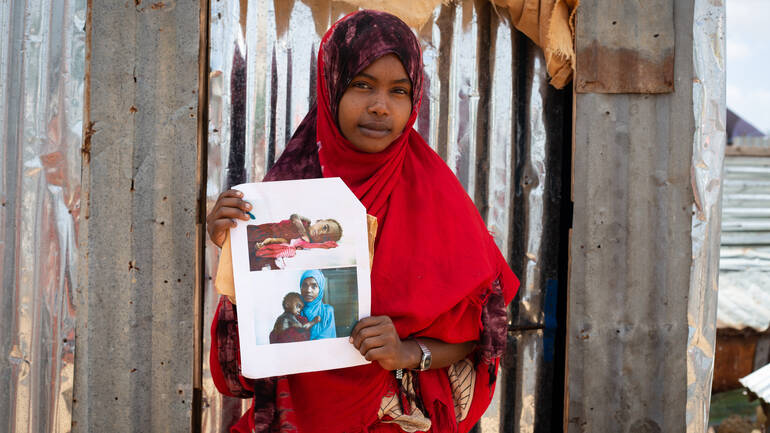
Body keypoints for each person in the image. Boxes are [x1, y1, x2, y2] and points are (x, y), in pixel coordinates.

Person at [206, 9, 519, 433]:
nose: (379, 106)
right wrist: (231, 251)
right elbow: (251, 341)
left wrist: (409, 352)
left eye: (398, 90)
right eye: (362, 85)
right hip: (297, 416)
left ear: (415, 99)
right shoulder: (289, 190)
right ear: (330, 86)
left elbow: (477, 334)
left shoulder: (435, 197)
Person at [298, 269, 337, 340]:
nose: (308, 290)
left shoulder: (327, 311)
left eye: (314, 286)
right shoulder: (296, 311)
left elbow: (326, 341)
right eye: (304, 285)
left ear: (320, 289)